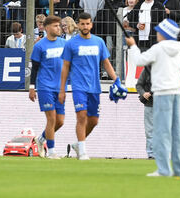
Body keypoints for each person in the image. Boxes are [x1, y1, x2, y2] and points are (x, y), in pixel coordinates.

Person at [127, 19, 180, 178]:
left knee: (160, 131)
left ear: (164, 34)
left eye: (159, 31)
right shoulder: (178, 50)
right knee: (176, 131)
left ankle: (163, 169)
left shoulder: (158, 48)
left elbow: (139, 61)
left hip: (162, 92)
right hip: (176, 91)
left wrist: (133, 46)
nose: (157, 33)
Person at [58, 12, 120, 160]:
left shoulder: (99, 42)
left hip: (95, 87)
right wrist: (62, 89)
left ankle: (77, 144)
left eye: (88, 23)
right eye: (82, 24)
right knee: (81, 116)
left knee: (94, 121)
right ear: (78, 25)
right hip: (79, 86)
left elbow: (106, 63)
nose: (85, 26)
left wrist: (116, 79)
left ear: (91, 24)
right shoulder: (71, 44)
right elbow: (65, 67)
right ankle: (83, 151)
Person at [29, 16, 67, 158]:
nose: (59, 28)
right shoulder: (39, 46)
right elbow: (34, 68)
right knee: (51, 119)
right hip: (45, 86)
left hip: (60, 87)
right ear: (47, 28)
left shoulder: (64, 43)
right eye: (56, 26)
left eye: (59, 25)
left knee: (60, 121)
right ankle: (51, 151)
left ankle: (41, 139)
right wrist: (32, 87)